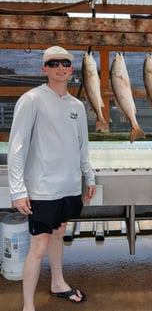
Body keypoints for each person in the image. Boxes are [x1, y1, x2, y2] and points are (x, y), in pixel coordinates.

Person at [8, 46, 96, 311]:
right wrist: (17, 190)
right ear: (43, 69)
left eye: (66, 63)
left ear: (72, 69)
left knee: (59, 234)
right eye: (54, 63)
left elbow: (83, 146)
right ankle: (27, 306)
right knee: (39, 244)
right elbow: (17, 146)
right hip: (42, 190)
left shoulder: (77, 106)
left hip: (69, 187)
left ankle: (58, 283)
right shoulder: (31, 99)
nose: (61, 67)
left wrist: (88, 177)